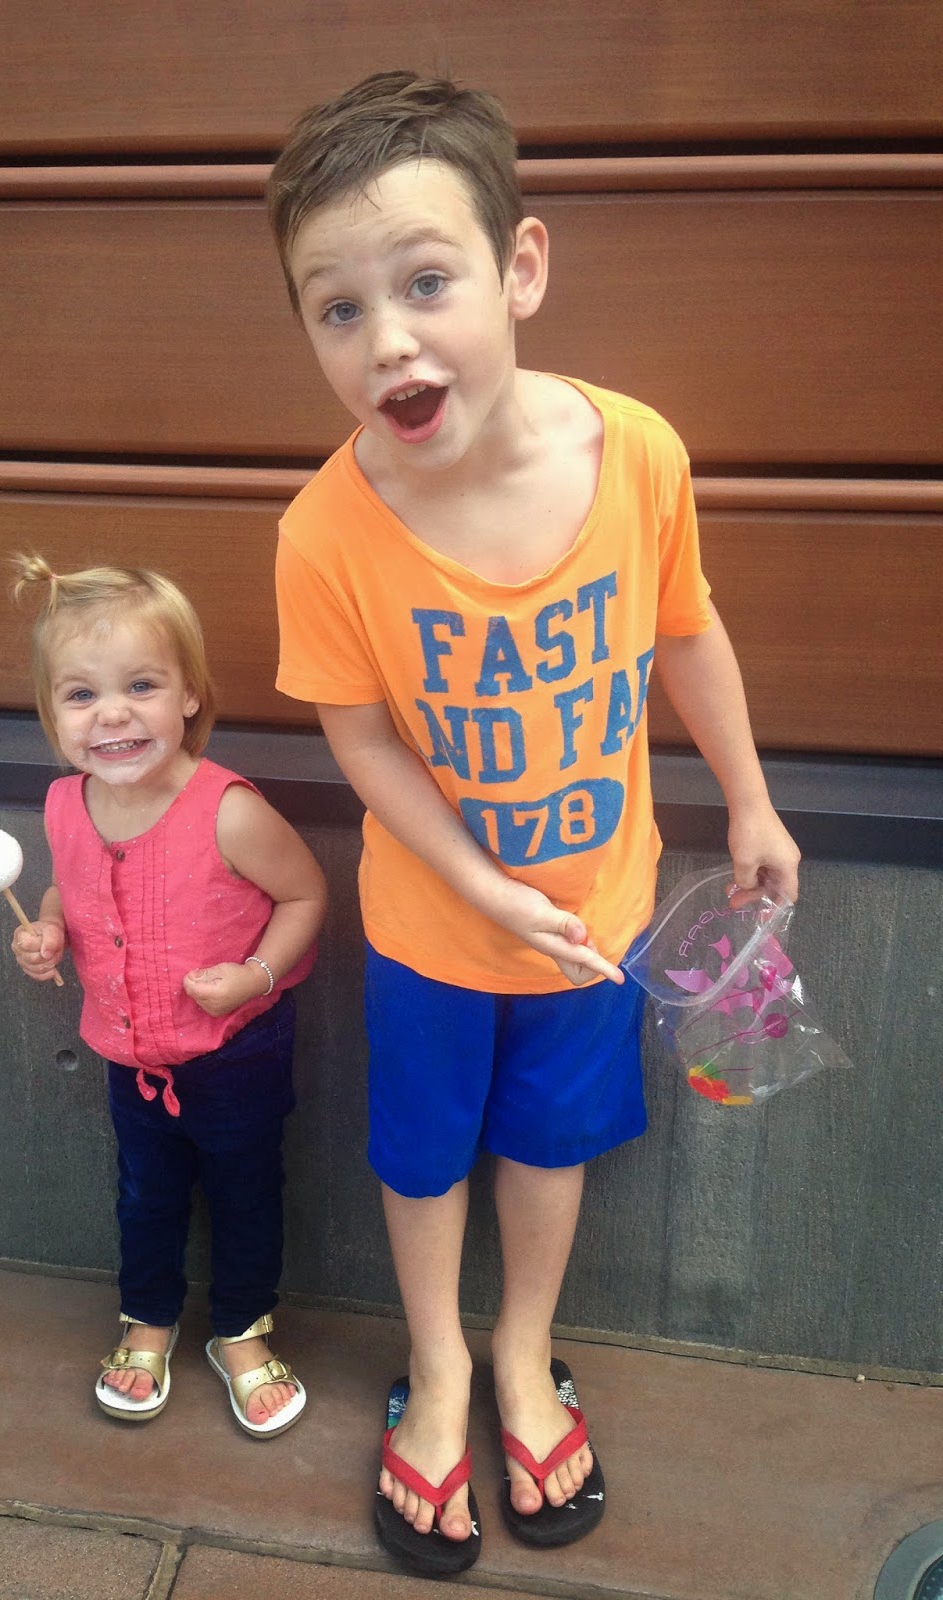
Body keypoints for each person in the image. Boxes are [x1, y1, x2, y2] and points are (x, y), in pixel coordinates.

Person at [267, 70, 800, 1574]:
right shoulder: (325, 534)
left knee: (552, 1144)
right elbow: (360, 739)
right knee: (427, 1154)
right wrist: (477, 886)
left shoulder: (637, 455)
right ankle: (437, 1361)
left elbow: (685, 627)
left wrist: (750, 797)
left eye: (425, 282)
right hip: (433, 929)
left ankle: (521, 1351)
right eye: (338, 309)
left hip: (596, 918)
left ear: (522, 268)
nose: (388, 339)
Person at [10, 556, 327, 1440]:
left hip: (236, 1057)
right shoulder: (66, 805)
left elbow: (306, 895)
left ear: (189, 695)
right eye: (81, 695)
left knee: (245, 1193)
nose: (112, 714)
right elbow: (68, 888)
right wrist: (48, 929)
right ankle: (147, 1317)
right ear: (52, 715)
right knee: (144, 1194)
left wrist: (255, 976)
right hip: (131, 1057)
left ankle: (242, 1329)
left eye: (141, 686)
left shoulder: (229, 810)